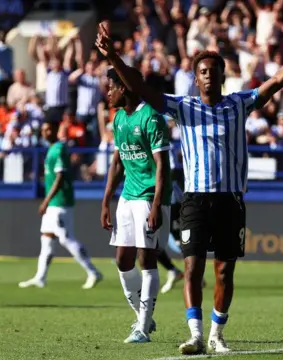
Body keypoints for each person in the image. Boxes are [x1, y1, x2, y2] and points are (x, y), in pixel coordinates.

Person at [96, 15, 283, 354]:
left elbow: (280, 78)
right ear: (195, 77)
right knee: (191, 268)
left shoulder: (239, 104)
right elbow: (140, 88)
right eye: (202, 71)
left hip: (230, 199)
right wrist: (113, 56)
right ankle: (197, 334)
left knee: (224, 273)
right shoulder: (182, 107)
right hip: (195, 200)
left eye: (213, 71)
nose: (208, 76)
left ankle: (217, 334)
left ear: (221, 75)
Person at [101, 66, 172, 343]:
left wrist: (156, 204)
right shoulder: (119, 119)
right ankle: (144, 317)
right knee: (122, 260)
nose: (108, 92)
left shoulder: (151, 118)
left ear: (124, 88)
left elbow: (162, 166)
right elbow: (117, 162)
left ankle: (142, 328)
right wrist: (106, 199)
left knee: (147, 258)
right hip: (128, 196)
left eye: (111, 86)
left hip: (148, 196)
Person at [19, 121, 103, 289]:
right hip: (54, 203)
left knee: (66, 238)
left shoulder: (58, 149)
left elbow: (60, 177)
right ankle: (40, 277)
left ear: (56, 130)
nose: (45, 132)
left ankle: (93, 271)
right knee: (47, 238)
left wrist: (46, 200)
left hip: (59, 202)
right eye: (43, 129)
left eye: (48, 128)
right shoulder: (51, 149)